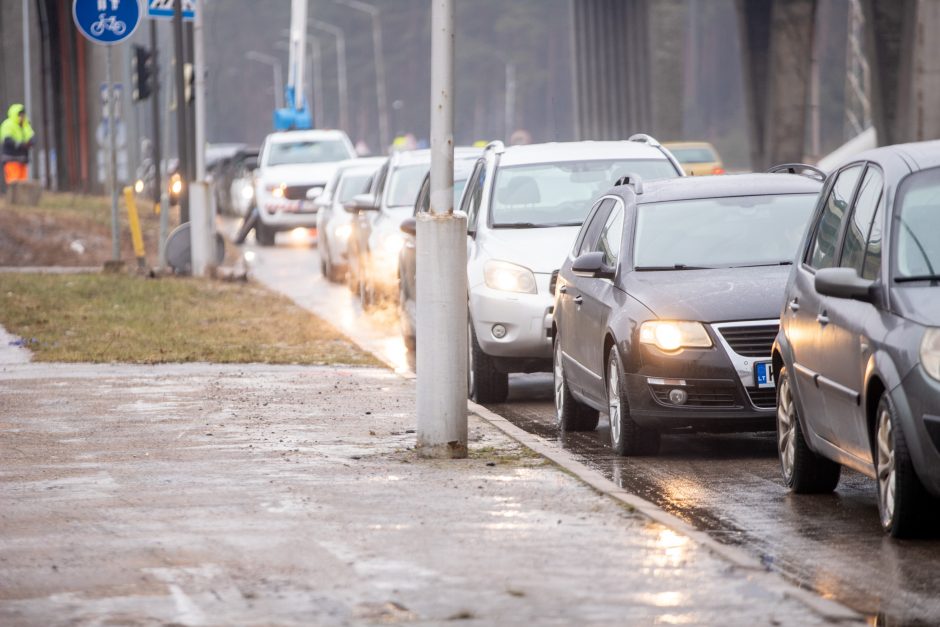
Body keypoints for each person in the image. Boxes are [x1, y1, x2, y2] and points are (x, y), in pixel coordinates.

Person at [1, 104, 35, 184]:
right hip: (11, 159)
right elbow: (7, 140)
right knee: (14, 183)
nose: (22, 117)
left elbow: (31, 136)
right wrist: (20, 144)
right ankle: (13, 196)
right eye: (20, 115)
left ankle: (20, 197)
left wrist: (30, 142)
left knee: (23, 184)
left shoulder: (25, 125)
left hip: (22, 159)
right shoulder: (7, 124)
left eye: (23, 115)